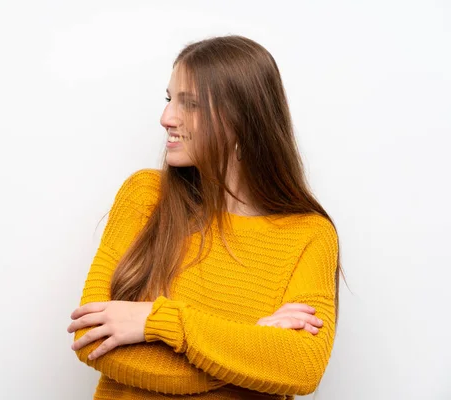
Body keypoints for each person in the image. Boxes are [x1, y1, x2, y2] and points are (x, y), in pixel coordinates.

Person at [67, 35, 344, 400]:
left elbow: (303, 367)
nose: (166, 118)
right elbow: (91, 339)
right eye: (169, 100)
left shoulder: (309, 234)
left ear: (243, 120)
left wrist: (157, 322)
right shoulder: (145, 196)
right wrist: (249, 352)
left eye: (190, 103)